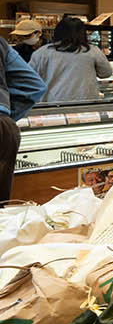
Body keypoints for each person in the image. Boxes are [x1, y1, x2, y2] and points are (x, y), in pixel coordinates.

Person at [1, 37, 46, 201]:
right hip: (4, 127)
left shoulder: (43, 53)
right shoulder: (2, 44)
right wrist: (6, 114)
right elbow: (35, 86)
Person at [28, 17, 112, 102]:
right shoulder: (93, 51)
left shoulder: (42, 52)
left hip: (52, 104)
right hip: (86, 103)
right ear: (83, 33)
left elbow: (28, 78)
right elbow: (106, 73)